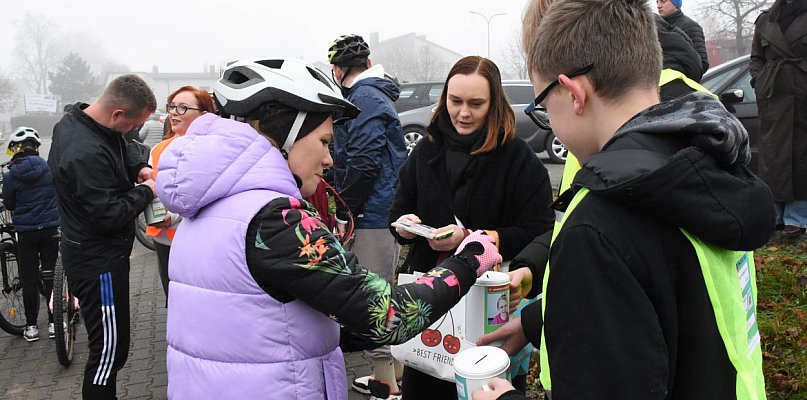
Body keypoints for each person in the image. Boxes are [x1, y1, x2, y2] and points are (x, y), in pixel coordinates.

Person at [474, 0, 775, 398]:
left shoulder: (598, 229)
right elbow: (667, 297)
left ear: (573, 93)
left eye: (543, 106)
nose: (552, 124)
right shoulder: (699, 158)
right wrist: (538, 319)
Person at [155, 57, 502, 400]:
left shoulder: (207, 205)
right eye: (323, 142)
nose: (329, 160)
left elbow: (261, 319)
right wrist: (470, 259)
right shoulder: (277, 222)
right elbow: (390, 316)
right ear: (289, 137)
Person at [387, 55, 555, 400]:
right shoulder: (425, 150)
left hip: (489, 304)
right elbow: (400, 210)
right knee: (425, 386)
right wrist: (405, 227)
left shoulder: (517, 158)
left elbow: (539, 229)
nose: (463, 113)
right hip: (430, 305)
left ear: (494, 104)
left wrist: (478, 239)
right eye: (455, 101)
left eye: (476, 104)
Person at [48, 74, 157, 399]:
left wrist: (139, 165)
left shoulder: (80, 121)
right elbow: (109, 215)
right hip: (98, 266)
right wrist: (145, 191)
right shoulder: (84, 153)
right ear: (117, 114)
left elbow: (121, 144)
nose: (130, 133)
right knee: (108, 354)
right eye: (132, 125)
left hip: (98, 256)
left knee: (114, 347)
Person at [326, 35, 409, 398]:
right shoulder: (375, 96)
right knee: (381, 292)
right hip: (378, 211)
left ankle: (387, 383)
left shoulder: (363, 99)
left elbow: (361, 162)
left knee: (372, 297)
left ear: (338, 69)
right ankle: (398, 374)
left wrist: (345, 210)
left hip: (372, 215)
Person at [145, 86, 216, 300]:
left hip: (200, 240)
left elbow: (208, 194)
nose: (174, 112)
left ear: (204, 115)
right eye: (172, 106)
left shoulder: (214, 149)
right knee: (174, 300)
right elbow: (154, 191)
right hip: (165, 240)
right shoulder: (158, 150)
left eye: (183, 107)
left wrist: (174, 217)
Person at [750, 0, 807, 238]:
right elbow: (756, 58)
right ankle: (775, 215)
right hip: (773, 97)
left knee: (801, 154)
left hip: (802, 96)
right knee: (773, 157)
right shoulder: (765, 20)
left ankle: (798, 217)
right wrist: (760, 82)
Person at [2, 127, 59, 342]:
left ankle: (32, 327)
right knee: (51, 274)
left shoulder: (10, 176)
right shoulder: (47, 168)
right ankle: (55, 323)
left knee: (28, 278)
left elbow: (9, 204)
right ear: (36, 147)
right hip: (50, 229)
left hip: (25, 233)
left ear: (15, 150)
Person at [657, 0, 709, 76]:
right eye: (657, 2)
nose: (658, 5)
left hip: (680, 84)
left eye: (663, 1)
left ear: (676, 4)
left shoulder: (691, 26)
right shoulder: (656, 26)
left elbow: (702, 64)